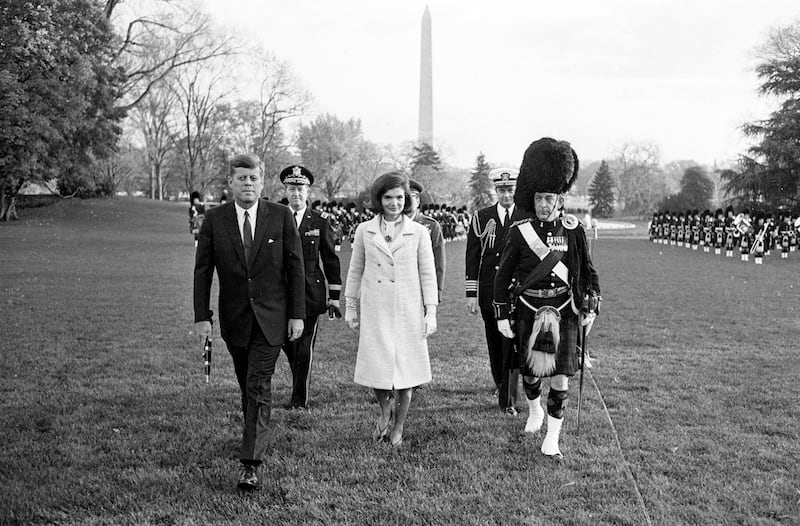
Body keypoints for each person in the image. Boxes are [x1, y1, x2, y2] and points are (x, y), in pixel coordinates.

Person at [193, 153, 305, 491]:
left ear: (262, 181)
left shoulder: (280, 216)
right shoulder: (215, 219)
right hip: (235, 320)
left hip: (272, 319)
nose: (248, 183)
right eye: (241, 178)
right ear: (230, 182)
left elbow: (295, 267)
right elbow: (203, 272)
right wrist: (202, 317)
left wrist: (297, 314)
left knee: (258, 384)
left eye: (253, 178)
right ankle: (254, 431)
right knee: (247, 385)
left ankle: (250, 464)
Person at [493, 138, 600, 460]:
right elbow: (502, 276)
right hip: (528, 310)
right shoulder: (520, 231)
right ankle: (535, 410)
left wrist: (591, 304)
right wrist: (502, 315)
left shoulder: (573, 230)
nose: (542, 204)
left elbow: (588, 272)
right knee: (530, 374)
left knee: (560, 377)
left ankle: (553, 437)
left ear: (560, 199)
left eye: (549, 198)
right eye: (539, 198)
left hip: (564, 312)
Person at [344, 172, 438, 448]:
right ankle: (385, 410)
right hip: (376, 309)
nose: (394, 203)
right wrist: (350, 307)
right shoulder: (364, 230)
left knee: (407, 371)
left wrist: (430, 311)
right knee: (378, 366)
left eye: (399, 197)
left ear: (406, 199)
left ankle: (398, 426)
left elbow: (428, 274)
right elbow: (355, 269)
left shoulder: (419, 232)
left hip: (408, 310)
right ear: (379, 199)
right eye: (388, 197)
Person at [279, 165, 342, 409]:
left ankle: (299, 399)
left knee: (304, 346)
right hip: (281, 293)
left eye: (300, 189)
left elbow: (330, 260)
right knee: (287, 344)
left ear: (308, 192)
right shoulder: (275, 218)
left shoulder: (320, 221)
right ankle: (298, 382)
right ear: (285, 191)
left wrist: (334, 297)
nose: (296, 193)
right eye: (291, 189)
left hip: (310, 294)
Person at [465, 168, 525, 415]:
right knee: (494, 341)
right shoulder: (481, 218)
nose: (506, 195)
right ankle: (501, 383)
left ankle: (508, 396)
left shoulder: (526, 216)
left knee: (512, 343)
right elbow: (472, 257)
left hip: (516, 292)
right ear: (495, 191)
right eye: (501, 190)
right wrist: (471, 294)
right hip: (489, 291)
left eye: (510, 190)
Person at [407, 179, 446, 302]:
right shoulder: (392, 225)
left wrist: (437, 289)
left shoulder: (431, 226)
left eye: (411, 197)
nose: (407, 202)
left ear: (418, 201)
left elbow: (438, 260)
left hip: (422, 286)